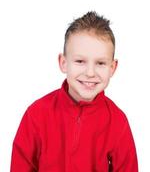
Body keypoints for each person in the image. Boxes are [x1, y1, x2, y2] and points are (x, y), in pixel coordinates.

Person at [10, 11, 138, 171]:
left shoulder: (118, 122)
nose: (90, 72)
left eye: (100, 63)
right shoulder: (36, 114)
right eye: (80, 61)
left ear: (112, 68)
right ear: (63, 63)